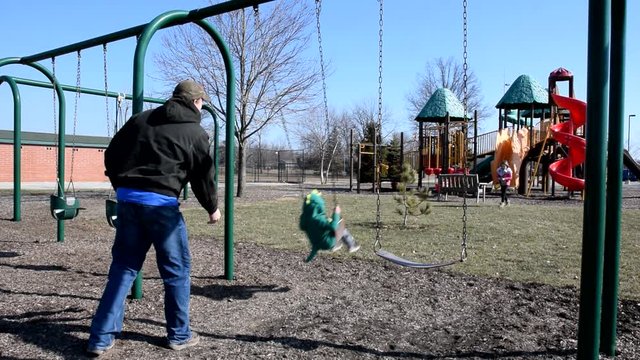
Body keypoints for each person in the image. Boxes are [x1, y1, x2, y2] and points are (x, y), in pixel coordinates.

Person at [87, 80, 221, 356]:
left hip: (129, 202)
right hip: (162, 208)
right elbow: (202, 176)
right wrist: (212, 207)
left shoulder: (141, 120)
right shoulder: (195, 133)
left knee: (123, 268)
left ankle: (100, 337)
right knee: (176, 272)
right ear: (196, 102)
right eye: (202, 103)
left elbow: (112, 153)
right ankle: (179, 334)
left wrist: (121, 186)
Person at [299, 189, 360, 262]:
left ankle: (336, 244)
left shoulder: (304, 219)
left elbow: (303, 227)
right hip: (328, 243)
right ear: (318, 205)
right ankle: (351, 245)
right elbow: (333, 227)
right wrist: (336, 213)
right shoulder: (318, 219)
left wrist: (308, 259)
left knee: (327, 223)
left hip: (316, 243)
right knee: (340, 222)